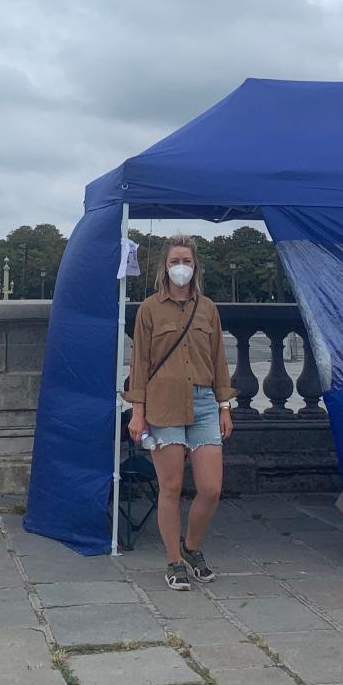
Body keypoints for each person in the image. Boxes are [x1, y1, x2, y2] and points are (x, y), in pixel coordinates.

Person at [125, 235, 234, 590]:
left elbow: (219, 360)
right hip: (163, 405)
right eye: (174, 261)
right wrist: (137, 413)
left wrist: (224, 406)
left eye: (185, 260)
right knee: (170, 486)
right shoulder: (149, 309)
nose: (180, 267)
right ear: (165, 268)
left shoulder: (208, 309)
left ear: (195, 266)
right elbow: (139, 364)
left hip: (203, 403)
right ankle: (173, 560)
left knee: (211, 488)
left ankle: (191, 546)